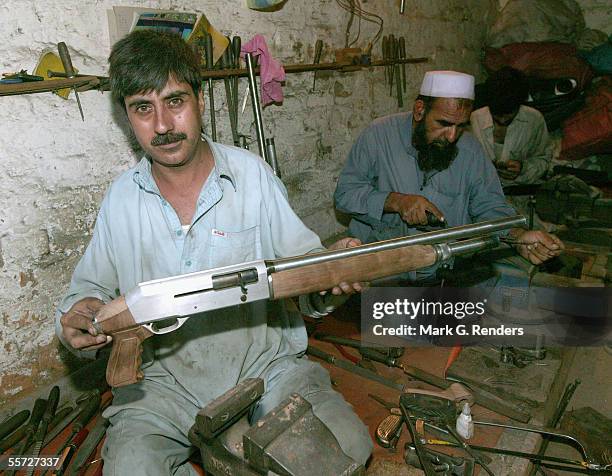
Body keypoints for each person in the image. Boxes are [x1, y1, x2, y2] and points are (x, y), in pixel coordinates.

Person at [56, 30, 372, 475]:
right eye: (143, 109)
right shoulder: (121, 199)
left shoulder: (252, 177)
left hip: (266, 371)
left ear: (200, 100)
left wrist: (333, 271)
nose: (163, 125)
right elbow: (86, 290)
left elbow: (309, 279)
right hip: (161, 387)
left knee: (346, 449)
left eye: (175, 101)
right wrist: (79, 315)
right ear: (127, 118)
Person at [334, 70, 563, 282]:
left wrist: (517, 237)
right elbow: (345, 195)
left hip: (443, 273)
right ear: (420, 110)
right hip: (381, 273)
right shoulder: (379, 135)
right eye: (443, 124)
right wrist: (396, 201)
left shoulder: (471, 151)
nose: (452, 136)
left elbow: (490, 206)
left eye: (461, 126)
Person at [470, 67, 551, 186]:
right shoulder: (475, 119)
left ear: (519, 105)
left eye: (508, 115)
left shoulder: (534, 120)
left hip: (517, 190)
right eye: (497, 116)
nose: (502, 120)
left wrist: (523, 169)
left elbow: (543, 160)